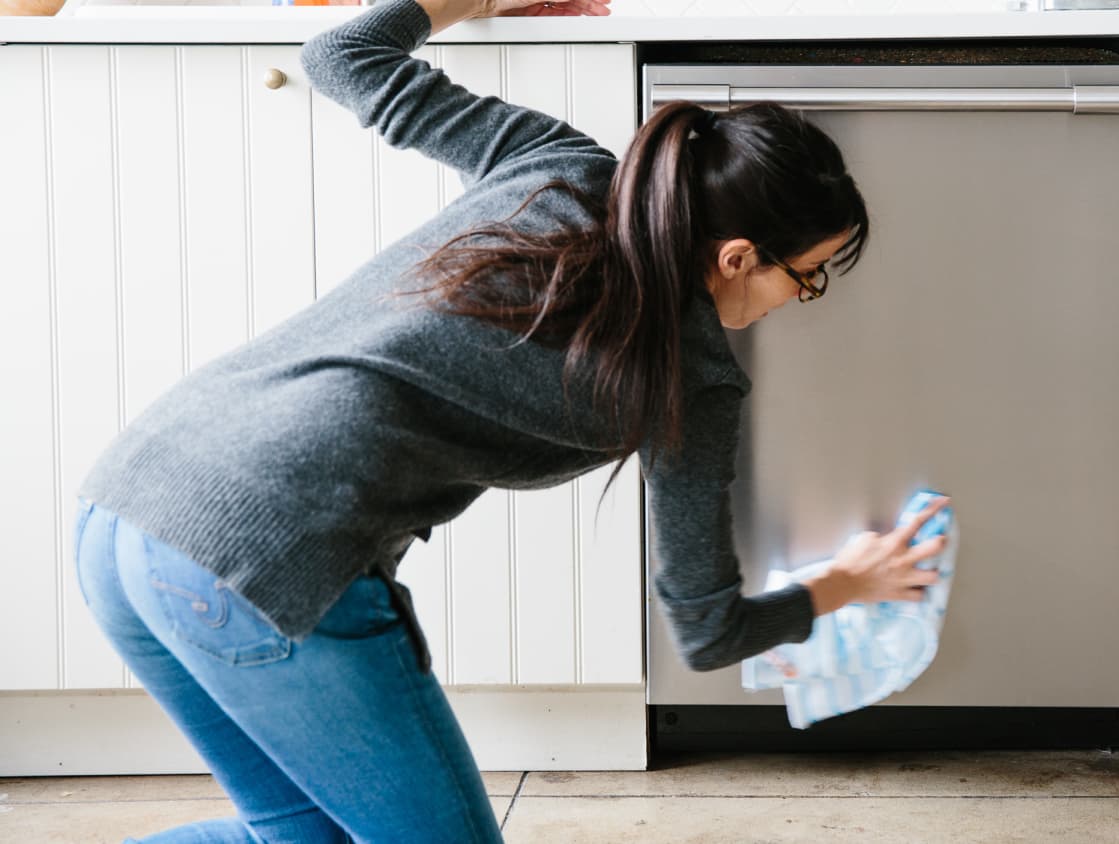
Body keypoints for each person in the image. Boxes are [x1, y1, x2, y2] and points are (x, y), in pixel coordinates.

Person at [71, 0, 951, 840]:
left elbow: (341, 57)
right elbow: (708, 630)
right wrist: (846, 585)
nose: (803, 301)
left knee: (296, 839)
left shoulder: (557, 163)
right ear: (737, 257)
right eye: (808, 277)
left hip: (124, 507)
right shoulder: (688, 377)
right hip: (260, 559)